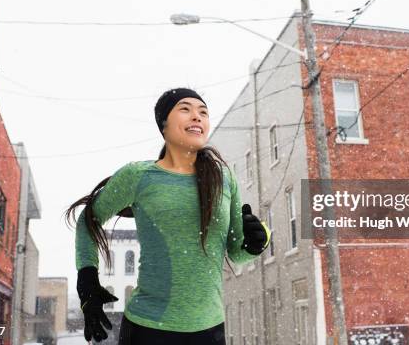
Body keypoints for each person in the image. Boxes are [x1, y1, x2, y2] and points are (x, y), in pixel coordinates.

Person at [64, 87, 271, 344]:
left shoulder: (223, 179)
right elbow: (89, 220)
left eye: (203, 112)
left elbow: (237, 253)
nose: (197, 117)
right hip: (147, 329)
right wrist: (87, 280)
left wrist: (257, 241)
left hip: (210, 330)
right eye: (185, 109)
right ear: (164, 125)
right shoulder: (138, 176)